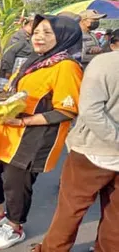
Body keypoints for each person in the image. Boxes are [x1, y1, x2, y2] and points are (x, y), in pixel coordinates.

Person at [0, 15, 83, 250]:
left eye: (48, 33)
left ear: (65, 37)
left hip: (35, 138)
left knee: (16, 183)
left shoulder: (66, 67)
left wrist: (25, 121)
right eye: (37, 31)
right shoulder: (36, 60)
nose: (39, 36)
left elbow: (67, 110)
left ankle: (14, 226)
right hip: (9, 131)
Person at [32, 29, 119, 252]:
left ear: (113, 43)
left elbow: (90, 112)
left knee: (71, 210)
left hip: (92, 150)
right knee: (116, 216)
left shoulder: (104, 63)